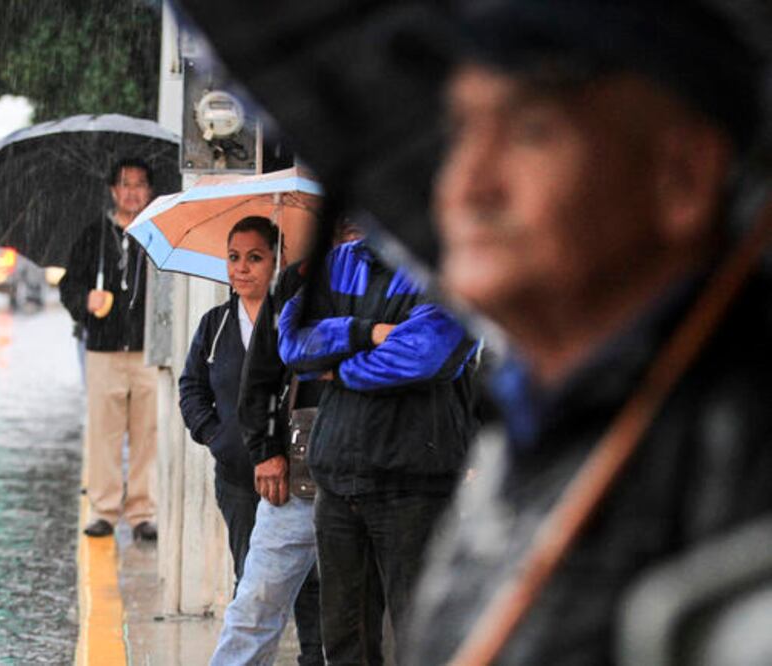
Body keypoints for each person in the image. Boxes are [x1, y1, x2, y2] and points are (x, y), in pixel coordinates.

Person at [407, 1, 772, 663]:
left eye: (530, 129)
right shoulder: (526, 426)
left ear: (681, 178)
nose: (466, 186)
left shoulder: (738, 450)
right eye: (460, 129)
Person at [277, 237, 479, 664]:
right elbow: (293, 340)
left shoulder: (451, 263)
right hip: (337, 483)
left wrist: (340, 368)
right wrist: (363, 331)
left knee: (421, 636)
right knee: (345, 641)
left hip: (414, 486)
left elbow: (426, 355)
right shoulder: (337, 263)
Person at [209, 222, 372, 666]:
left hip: (379, 471)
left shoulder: (409, 280)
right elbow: (259, 375)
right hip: (298, 470)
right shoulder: (298, 281)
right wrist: (265, 451)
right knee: (257, 601)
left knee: (360, 615)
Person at [60, 157, 158, 541]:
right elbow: (68, 285)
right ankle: (103, 510)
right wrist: (86, 299)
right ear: (113, 191)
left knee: (147, 435)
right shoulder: (93, 236)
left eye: (139, 184)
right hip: (103, 349)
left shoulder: (157, 234)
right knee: (104, 434)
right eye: (124, 184)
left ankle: (141, 513)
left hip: (149, 351)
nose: (132, 191)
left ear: (149, 191)